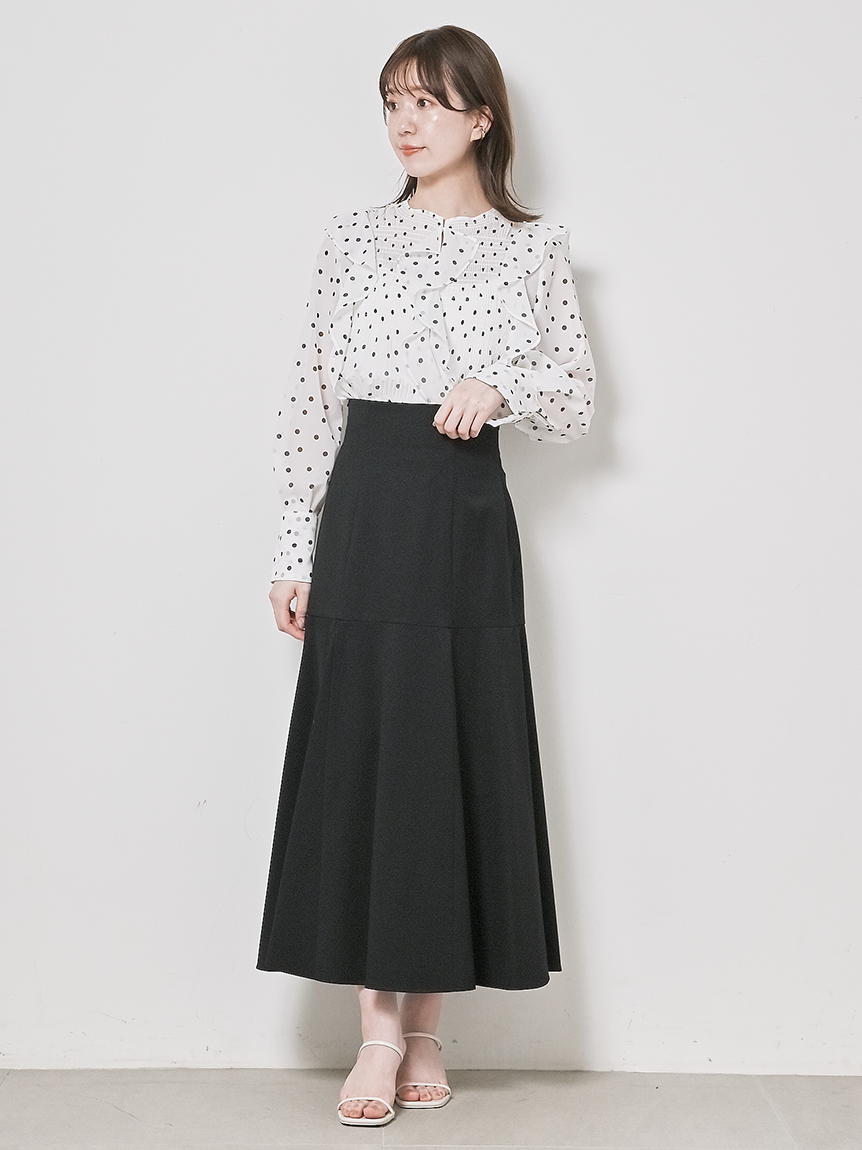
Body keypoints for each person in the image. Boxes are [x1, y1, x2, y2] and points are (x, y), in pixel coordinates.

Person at [257, 25, 595, 1127]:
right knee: (370, 751)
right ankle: (376, 1033)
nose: (405, 123)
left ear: (480, 118)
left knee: (448, 748)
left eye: (428, 104)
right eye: (392, 102)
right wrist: (292, 549)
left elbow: (575, 398)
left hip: (464, 518)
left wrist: (500, 386)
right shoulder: (353, 238)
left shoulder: (531, 249)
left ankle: (428, 1027)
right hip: (367, 509)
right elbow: (311, 397)